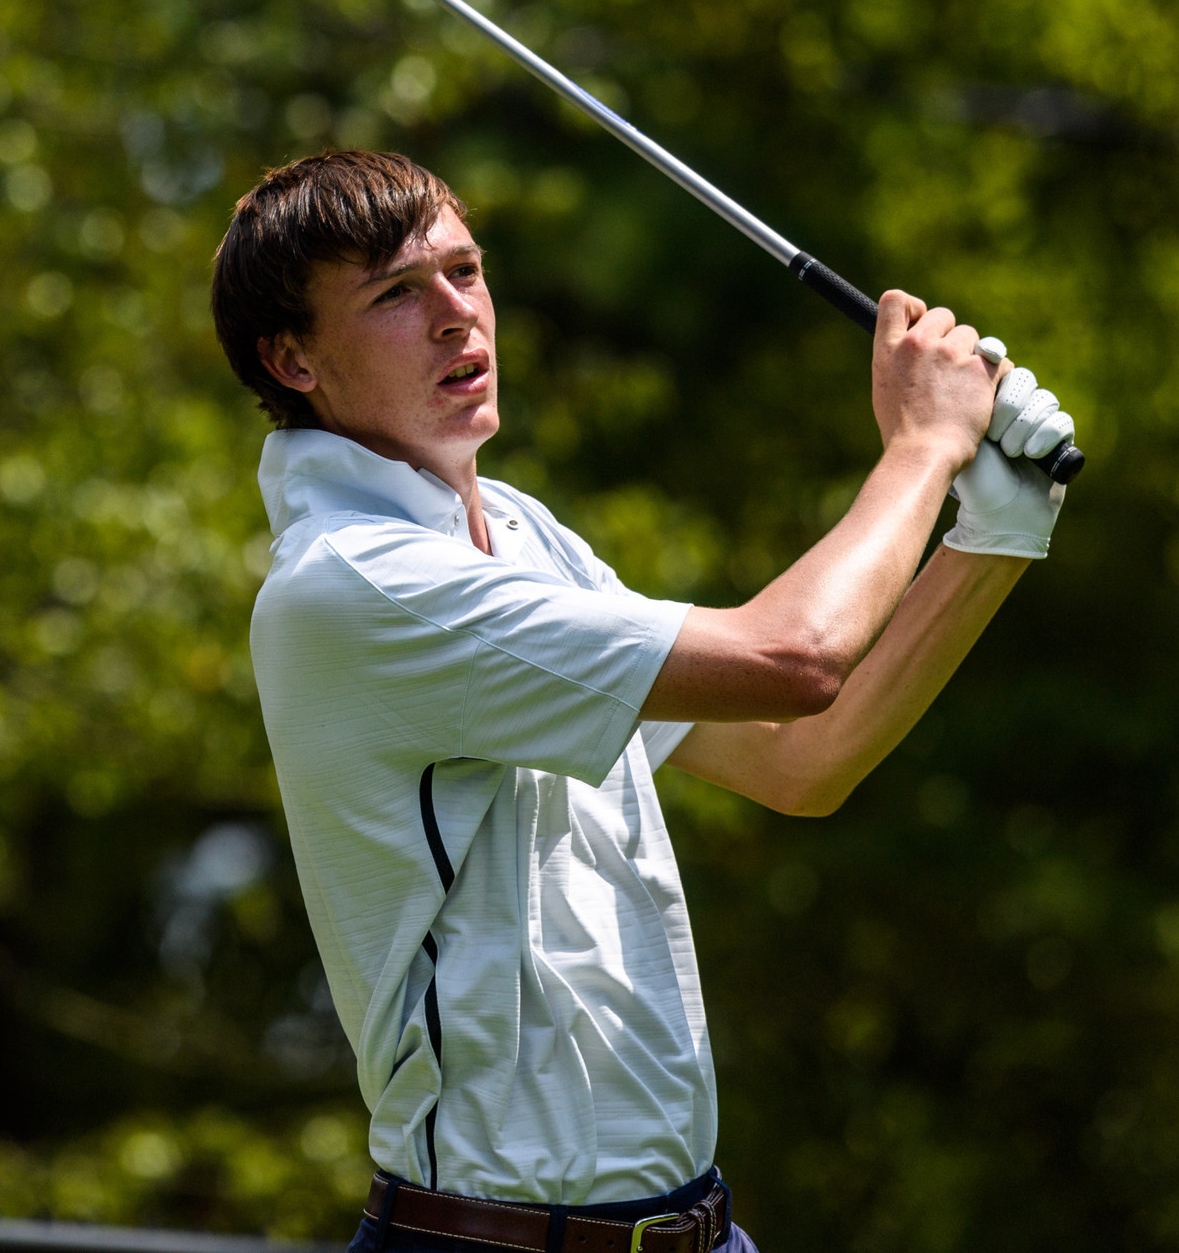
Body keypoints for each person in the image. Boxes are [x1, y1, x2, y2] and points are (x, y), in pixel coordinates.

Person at [209, 151, 1073, 1253]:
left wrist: (993, 531)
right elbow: (796, 656)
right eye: (393, 293)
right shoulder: (356, 582)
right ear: (292, 358)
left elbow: (796, 758)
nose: (455, 317)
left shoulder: (522, 537)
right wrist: (924, 445)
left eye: (464, 272)